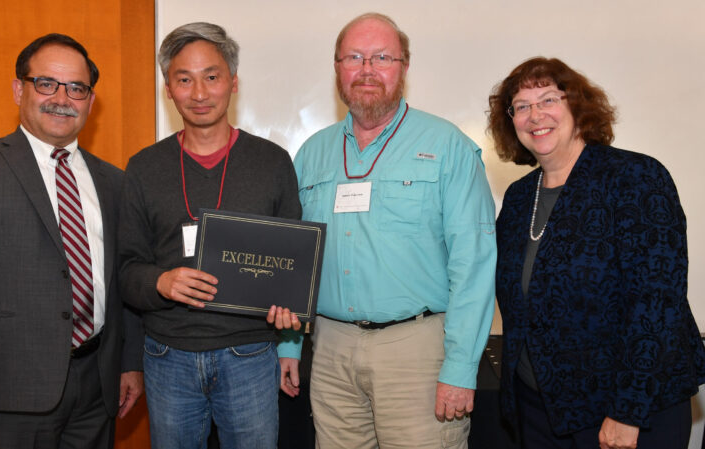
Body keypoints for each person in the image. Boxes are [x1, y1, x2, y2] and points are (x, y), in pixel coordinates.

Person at [273, 12, 497, 449]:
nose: (367, 69)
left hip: (418, 351)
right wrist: (288, 345)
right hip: (331, 347)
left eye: (382, 57)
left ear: (404, 67)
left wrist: (460, 368)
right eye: (354, 57)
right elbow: (295, 259)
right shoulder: (311, 154)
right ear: (337, 68)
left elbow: (474, 264)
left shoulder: (447, 145)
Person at [0, 33, 144, 448]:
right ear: (18, 89)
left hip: (97, 387)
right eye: (47, 83)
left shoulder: (115, 182)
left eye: (77, 88)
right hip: (8, 389)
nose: (62, 98)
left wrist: (130, 364)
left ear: (91, 102)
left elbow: (123, 279)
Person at [487, 56, 705, 449]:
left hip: (625, 412)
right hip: (538, 409)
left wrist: (628, 411)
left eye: (549, 99)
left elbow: (657, 302)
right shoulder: (519, 198)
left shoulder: (635, 177)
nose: (535, 115)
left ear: (577, 106)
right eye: (521, 106)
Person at [117, 22, 301, 449]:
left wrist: (291, 314)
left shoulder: (272, 162)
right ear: (168, 88)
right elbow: (125, 269)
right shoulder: (143, 168)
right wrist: (159, 281)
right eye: (184, 79)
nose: (199, 93)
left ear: (233, 83)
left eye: (211, 76)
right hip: (167, 355)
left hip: (250, 354)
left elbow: (294, 265)